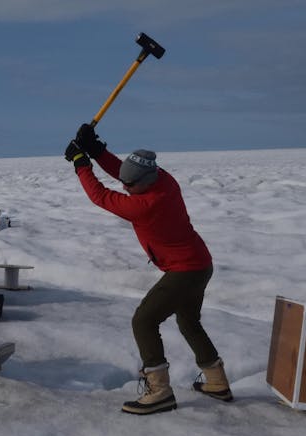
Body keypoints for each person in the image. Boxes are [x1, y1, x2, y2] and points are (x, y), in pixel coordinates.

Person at [65, 124, 233, 415]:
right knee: (189, 322)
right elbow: (123, 172)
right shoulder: (162, 179)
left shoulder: (145, 205)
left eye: (130, 187)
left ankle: (160, 391)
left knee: (144, 320)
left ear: (145, 182)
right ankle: (217, 382)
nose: (125, 189)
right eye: (125, 185)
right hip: (200, 263)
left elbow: (101, 196)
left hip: (185, 270)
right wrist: (96, 149)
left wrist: (81, 164)